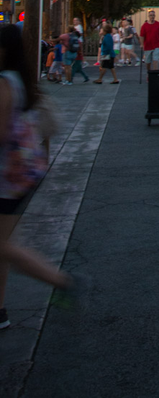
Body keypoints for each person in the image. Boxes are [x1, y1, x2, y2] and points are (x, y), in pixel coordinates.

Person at [0, 24, 77, 329]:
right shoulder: (18, 79)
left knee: (4, 246)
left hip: (7, 176)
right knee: (4, 244)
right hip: (18, 174)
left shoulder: (5, 83)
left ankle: (60, 281)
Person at [140, 9, 159, 80]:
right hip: (147, 46)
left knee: (155, 61)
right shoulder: (144, 25)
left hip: (156, 45)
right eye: (151, 15)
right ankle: (149, 73)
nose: (152, 17)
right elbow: (142, 36)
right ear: (148, 16)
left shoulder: (158, 24)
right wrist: (142, 44)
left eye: (153, 15)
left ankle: (155, 75)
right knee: (148, 62)